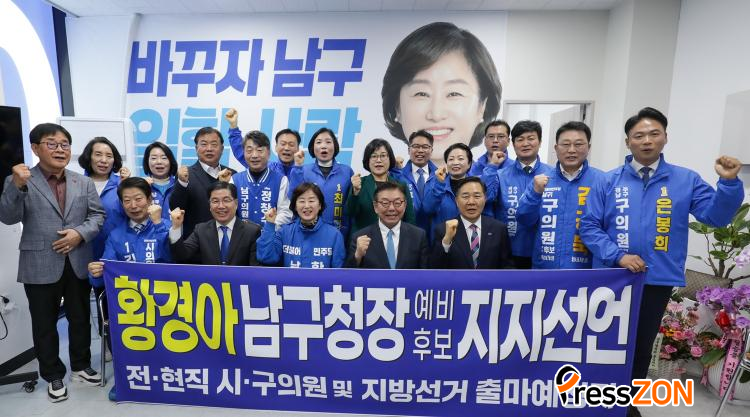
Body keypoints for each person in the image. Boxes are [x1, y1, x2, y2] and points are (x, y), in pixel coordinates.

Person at [578, 107, 744, 417]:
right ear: (628, 141)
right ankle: (599, 403)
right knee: (604, 344)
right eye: (639, 135)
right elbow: (589, 226)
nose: (646, 141)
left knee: (641, 346)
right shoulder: (608, 181)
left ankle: (626, 406)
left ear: (665, 137)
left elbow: (716, 217)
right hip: (613, 279)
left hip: (656, 279)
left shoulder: (685, 180)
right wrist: (618, 256)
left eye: (654, 134)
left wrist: (730, 184)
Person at [0, 123, 105, 402]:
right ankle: (52, 374)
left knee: (80, 318)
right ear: (35, 148)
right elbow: (8, 217)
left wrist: (78, 234)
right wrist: (17, 186)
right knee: (44, 323)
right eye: (52, 144)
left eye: (65, 145)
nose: (60, 150)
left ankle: (81, 366)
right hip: (39, 262)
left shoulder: (82, 182)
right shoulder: (19, 180)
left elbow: (97, 216)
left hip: (78, 259)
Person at [86, 177, 171, 401]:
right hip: (131, 305)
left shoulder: (166, 225)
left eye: (138, 199)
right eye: (127, 200)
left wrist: (159, 225)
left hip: (166, 301)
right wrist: (95, 272)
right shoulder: (115, 235)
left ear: (150, 200)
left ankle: (169, 374)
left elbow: (175, 259)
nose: (133, 205)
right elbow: (102, 278)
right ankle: (127, 377)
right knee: (118, 318)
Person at [382, 21, 502, 165]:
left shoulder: (496, 178)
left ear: (482, 106)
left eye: (454, 94)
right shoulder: (385, 179)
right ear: (397, 107)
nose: (436, 114)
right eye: (421, 94)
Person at [516, 121, 605, 269]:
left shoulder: (602, 181)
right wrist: (535, 194)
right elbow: (524, 220)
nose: (571, 150)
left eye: (578, 144)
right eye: (565, 144)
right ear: (556, 148)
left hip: (586, 272)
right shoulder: (541, 180)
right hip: (544, 269)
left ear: (588, 147)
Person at [484, 120, 552, 269]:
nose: (525, 143)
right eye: (520, 140)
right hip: (508, 250)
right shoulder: (501, 175)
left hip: (544, 251)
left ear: (540, 142)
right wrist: (492, 166)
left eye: (531, 138)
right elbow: (486, 197)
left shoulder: (552, 174)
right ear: (513, 144)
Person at [169, 182, 260, 266]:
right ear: (210, 205)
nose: (221, 206)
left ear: (236, 204)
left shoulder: (251, 231)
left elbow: (255, 269)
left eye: (226, 200)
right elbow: (182, 255)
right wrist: (176, 227)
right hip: (210, 279)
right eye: (215, 201)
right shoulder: (201, 230)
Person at [430, 177, 513, 269]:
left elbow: (507, 266)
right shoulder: (443, 230)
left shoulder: (499, 229)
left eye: (477, 196)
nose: (471, 202)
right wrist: (446, 242)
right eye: (465, 197)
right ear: (456, 201)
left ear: (485, 199)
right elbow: (435, 268)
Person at [257, 182, 345, 268]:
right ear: (295, 206)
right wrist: (270, 224)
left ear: (320, 205)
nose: (306, 206)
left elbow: (339, 272)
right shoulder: (285, 232)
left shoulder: (334, 235)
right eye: (302, 201)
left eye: (311, 201)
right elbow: (266, 258)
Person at [169, 127, 236, 238]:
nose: (209, 149)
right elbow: (176, 209)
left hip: (227, 240)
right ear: (196, 148)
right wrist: (182, 182)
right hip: (196, 242)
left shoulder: (232, 174)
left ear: (222, 148)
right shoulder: (186, 175)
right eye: (204, 144)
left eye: (214, 144)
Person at [287, 127, 353, 237]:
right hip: (307, 231)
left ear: (335, 146)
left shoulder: (346, 171)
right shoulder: (303, 170)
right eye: (318, 142)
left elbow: (351, 205)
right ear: (312, 147)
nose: (323, 146)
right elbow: (292, 197)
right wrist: (297, 167)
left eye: (328, 142)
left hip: (338, 232)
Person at [219, 130, 292, 228]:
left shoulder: (281, 180)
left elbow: (286, 213)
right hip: (241, 235)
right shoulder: (235, 180)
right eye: (249, 151)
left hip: (271, 235)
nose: (254, 155)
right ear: (244, 153)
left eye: (260, 150)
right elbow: (228, 211)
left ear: (269, 153)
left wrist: (268, 228)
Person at [347, 182, 429, 269]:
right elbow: (348, 274)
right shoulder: (360, 237)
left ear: (405, 205)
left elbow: (426, 274)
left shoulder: (418, 236)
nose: (391, 208)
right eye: (385, 203)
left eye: (397, 203)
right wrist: (357, 256)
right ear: (375, 206)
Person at [345, 138, 415, 235]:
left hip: (394, 239)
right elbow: (350, 213)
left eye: (383, 156)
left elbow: (410, 218)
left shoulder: (400, 185)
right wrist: (355, 192)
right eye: (374, 156)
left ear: (390, 159)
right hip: (365, 239)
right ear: (367, 161)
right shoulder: (360, 183)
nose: (378, 160)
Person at [422, 143, 491, 237]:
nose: (455, 162)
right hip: (442, 238)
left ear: (469, 164)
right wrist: (439, 184)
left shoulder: (478, 185)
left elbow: (486, 212)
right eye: (451, 159)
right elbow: (428, 209)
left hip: (471, 238)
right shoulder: (435, 182)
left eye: (460, 159)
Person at [77, 136, 130, 260]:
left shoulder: (122, 183)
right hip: (82, 251)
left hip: (116, 252)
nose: (104, 160)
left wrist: (126, 186)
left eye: (109, 156)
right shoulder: (76, 183)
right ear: (89, 157)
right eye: (98, 154)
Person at [225, 108, 300, 177]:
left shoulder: (303, 172)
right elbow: (240, 151)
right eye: (283, 144)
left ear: (298, 149)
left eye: (291, 144)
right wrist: (233, 126)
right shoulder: (265, 166)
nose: (286, 148)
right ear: (276, 147)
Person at [400, 130, 439, 241]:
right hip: (407, 237)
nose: (420, 150)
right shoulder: (399, 177)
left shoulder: (441, 177)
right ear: (409, 150)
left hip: (435, 237)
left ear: (431, 150)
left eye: (425, 147)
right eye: (416, 146)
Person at [142, 141, 177, 221]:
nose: (159, 162)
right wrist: (143, 189)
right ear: (147, 162)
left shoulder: (179, 185)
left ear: (171, 161)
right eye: (154, 158)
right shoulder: (140, 186)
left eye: (164, 158)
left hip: (175, 228)